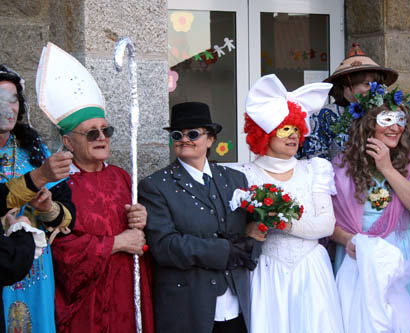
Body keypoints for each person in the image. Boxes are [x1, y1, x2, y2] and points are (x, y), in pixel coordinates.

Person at [35, 42, 154, 333]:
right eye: (91, 133)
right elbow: (60, 251)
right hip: (85, 306)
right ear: (68, 141)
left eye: (106, 130)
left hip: (127, 292)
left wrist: (142, 220)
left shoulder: (122, 177)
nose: (102, 137)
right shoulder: (58, 184)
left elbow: (139, 237)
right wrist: (116, 243)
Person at [231, 74, 344, 333]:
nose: (293, 136)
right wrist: (252, 229)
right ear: (264, 133)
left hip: (311, 271)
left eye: (296, 129)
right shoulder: (243, 175)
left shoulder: (315, 169)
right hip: (266, 272)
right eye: (285, 129)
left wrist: (281, 221)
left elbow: (326, 224)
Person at [139, 101, 259, 333]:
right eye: (177, 135)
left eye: (192, 133)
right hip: (189, 305)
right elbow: (165, 246)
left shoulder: (236, 180)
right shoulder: (154, 185)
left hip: (236, 302)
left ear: (210, 139)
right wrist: (223, 251)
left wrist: (254, 242)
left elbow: (249, 231)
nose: (184, 140)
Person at [331, 83, 410, 332]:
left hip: (404, 252)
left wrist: (387, 168)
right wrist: (347, 239)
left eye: (400, 119)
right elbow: (329, 221)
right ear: (368, 123)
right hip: (359, 256)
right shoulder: (341, 164)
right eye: (387, 119)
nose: (395, 127)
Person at [0, 64, 76, 333]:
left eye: (13, 100)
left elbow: (68, 214)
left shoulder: (33, 151)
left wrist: (48, 207)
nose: (8, 109)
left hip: (35, 267)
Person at [297, 43, 398, 160]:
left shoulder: (381, 114)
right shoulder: (325, 115)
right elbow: (314, 157)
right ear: (347, 84)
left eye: (376, 85)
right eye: (367, 84)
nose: (373, 90)